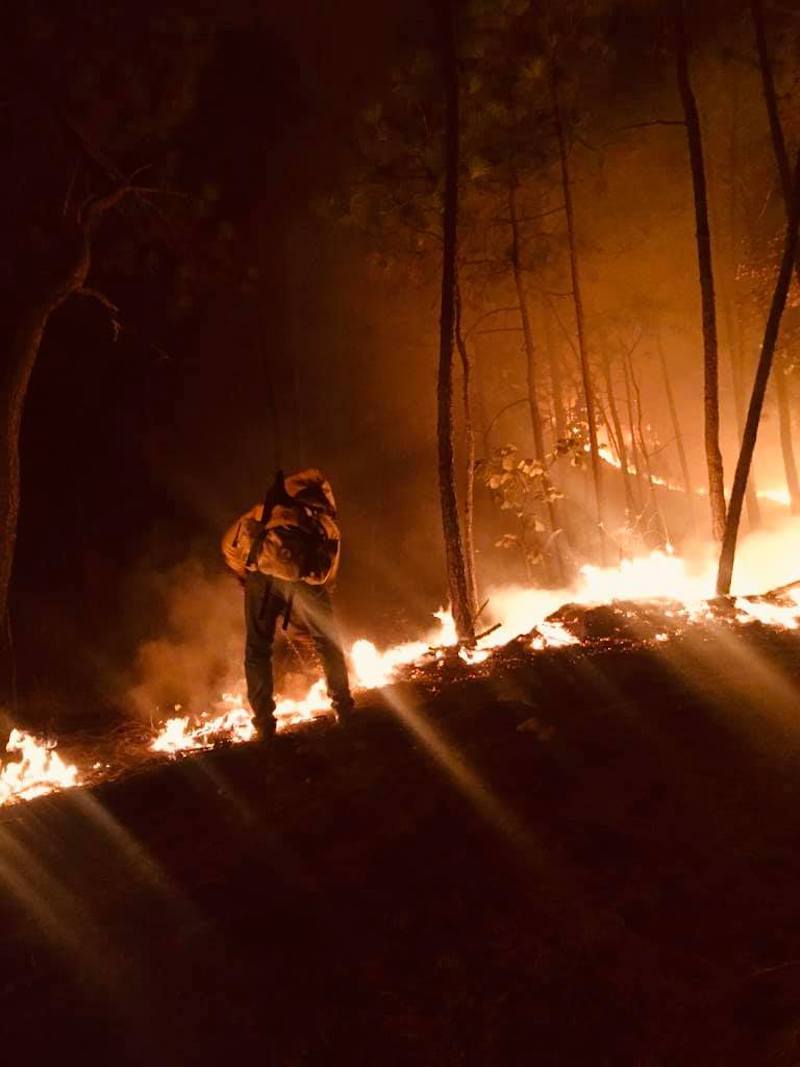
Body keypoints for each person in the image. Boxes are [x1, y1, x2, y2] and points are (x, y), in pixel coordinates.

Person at [222, 468, 355, 739]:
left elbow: (229, 544)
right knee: (327, 641)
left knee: (257, 650)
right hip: (305, 579)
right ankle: (343, 708)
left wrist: (244, 575)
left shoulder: (265, 510)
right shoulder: (322, 522)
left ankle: (264, 725)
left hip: (262, 578)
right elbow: (327, 572)